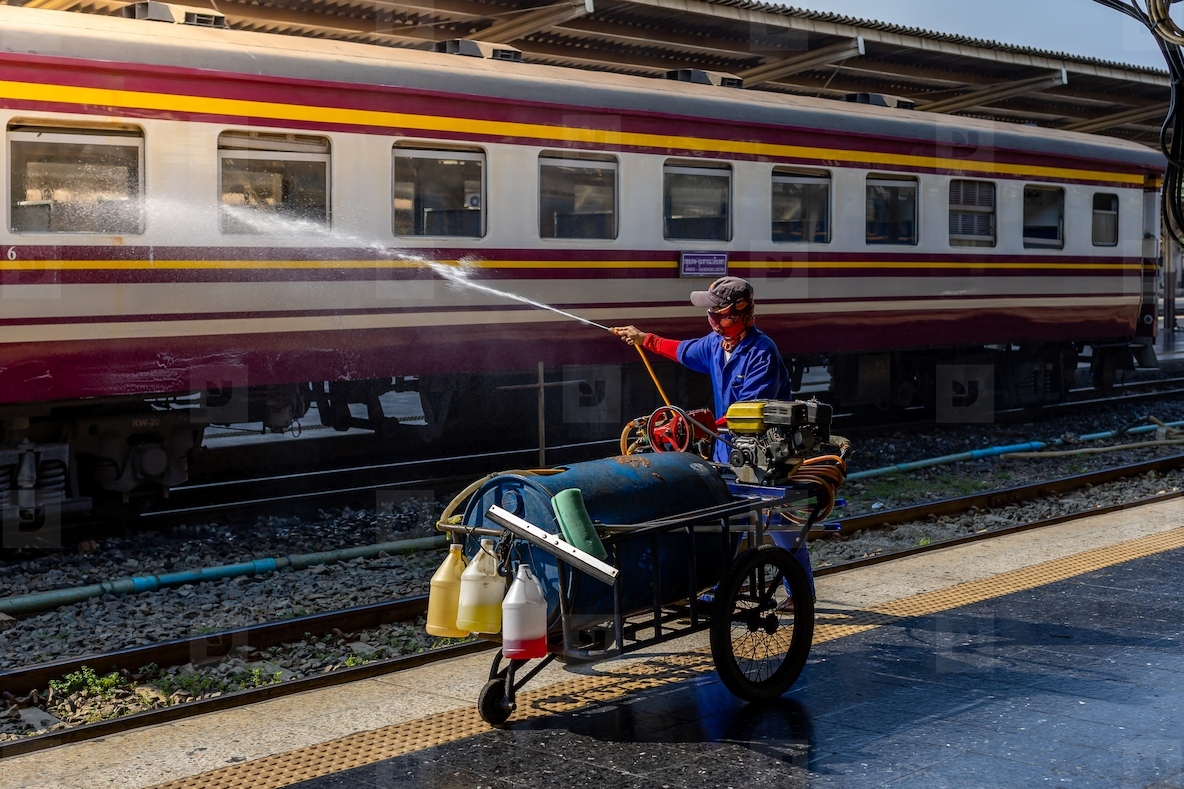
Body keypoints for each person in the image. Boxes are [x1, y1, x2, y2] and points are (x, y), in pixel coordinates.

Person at [611, 276, 813, 606]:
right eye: (710, 314)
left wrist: (695, 423)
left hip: (765, 452)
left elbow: (749, 411)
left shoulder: (762, 354)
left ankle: (800, 593)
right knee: (730, 522)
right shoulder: (715, 345)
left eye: (717, 314)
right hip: (727, 451)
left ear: (741, 313)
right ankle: (725, 588)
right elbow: (679, 349)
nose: (711, 320)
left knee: (779, 522)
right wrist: (641, 337)